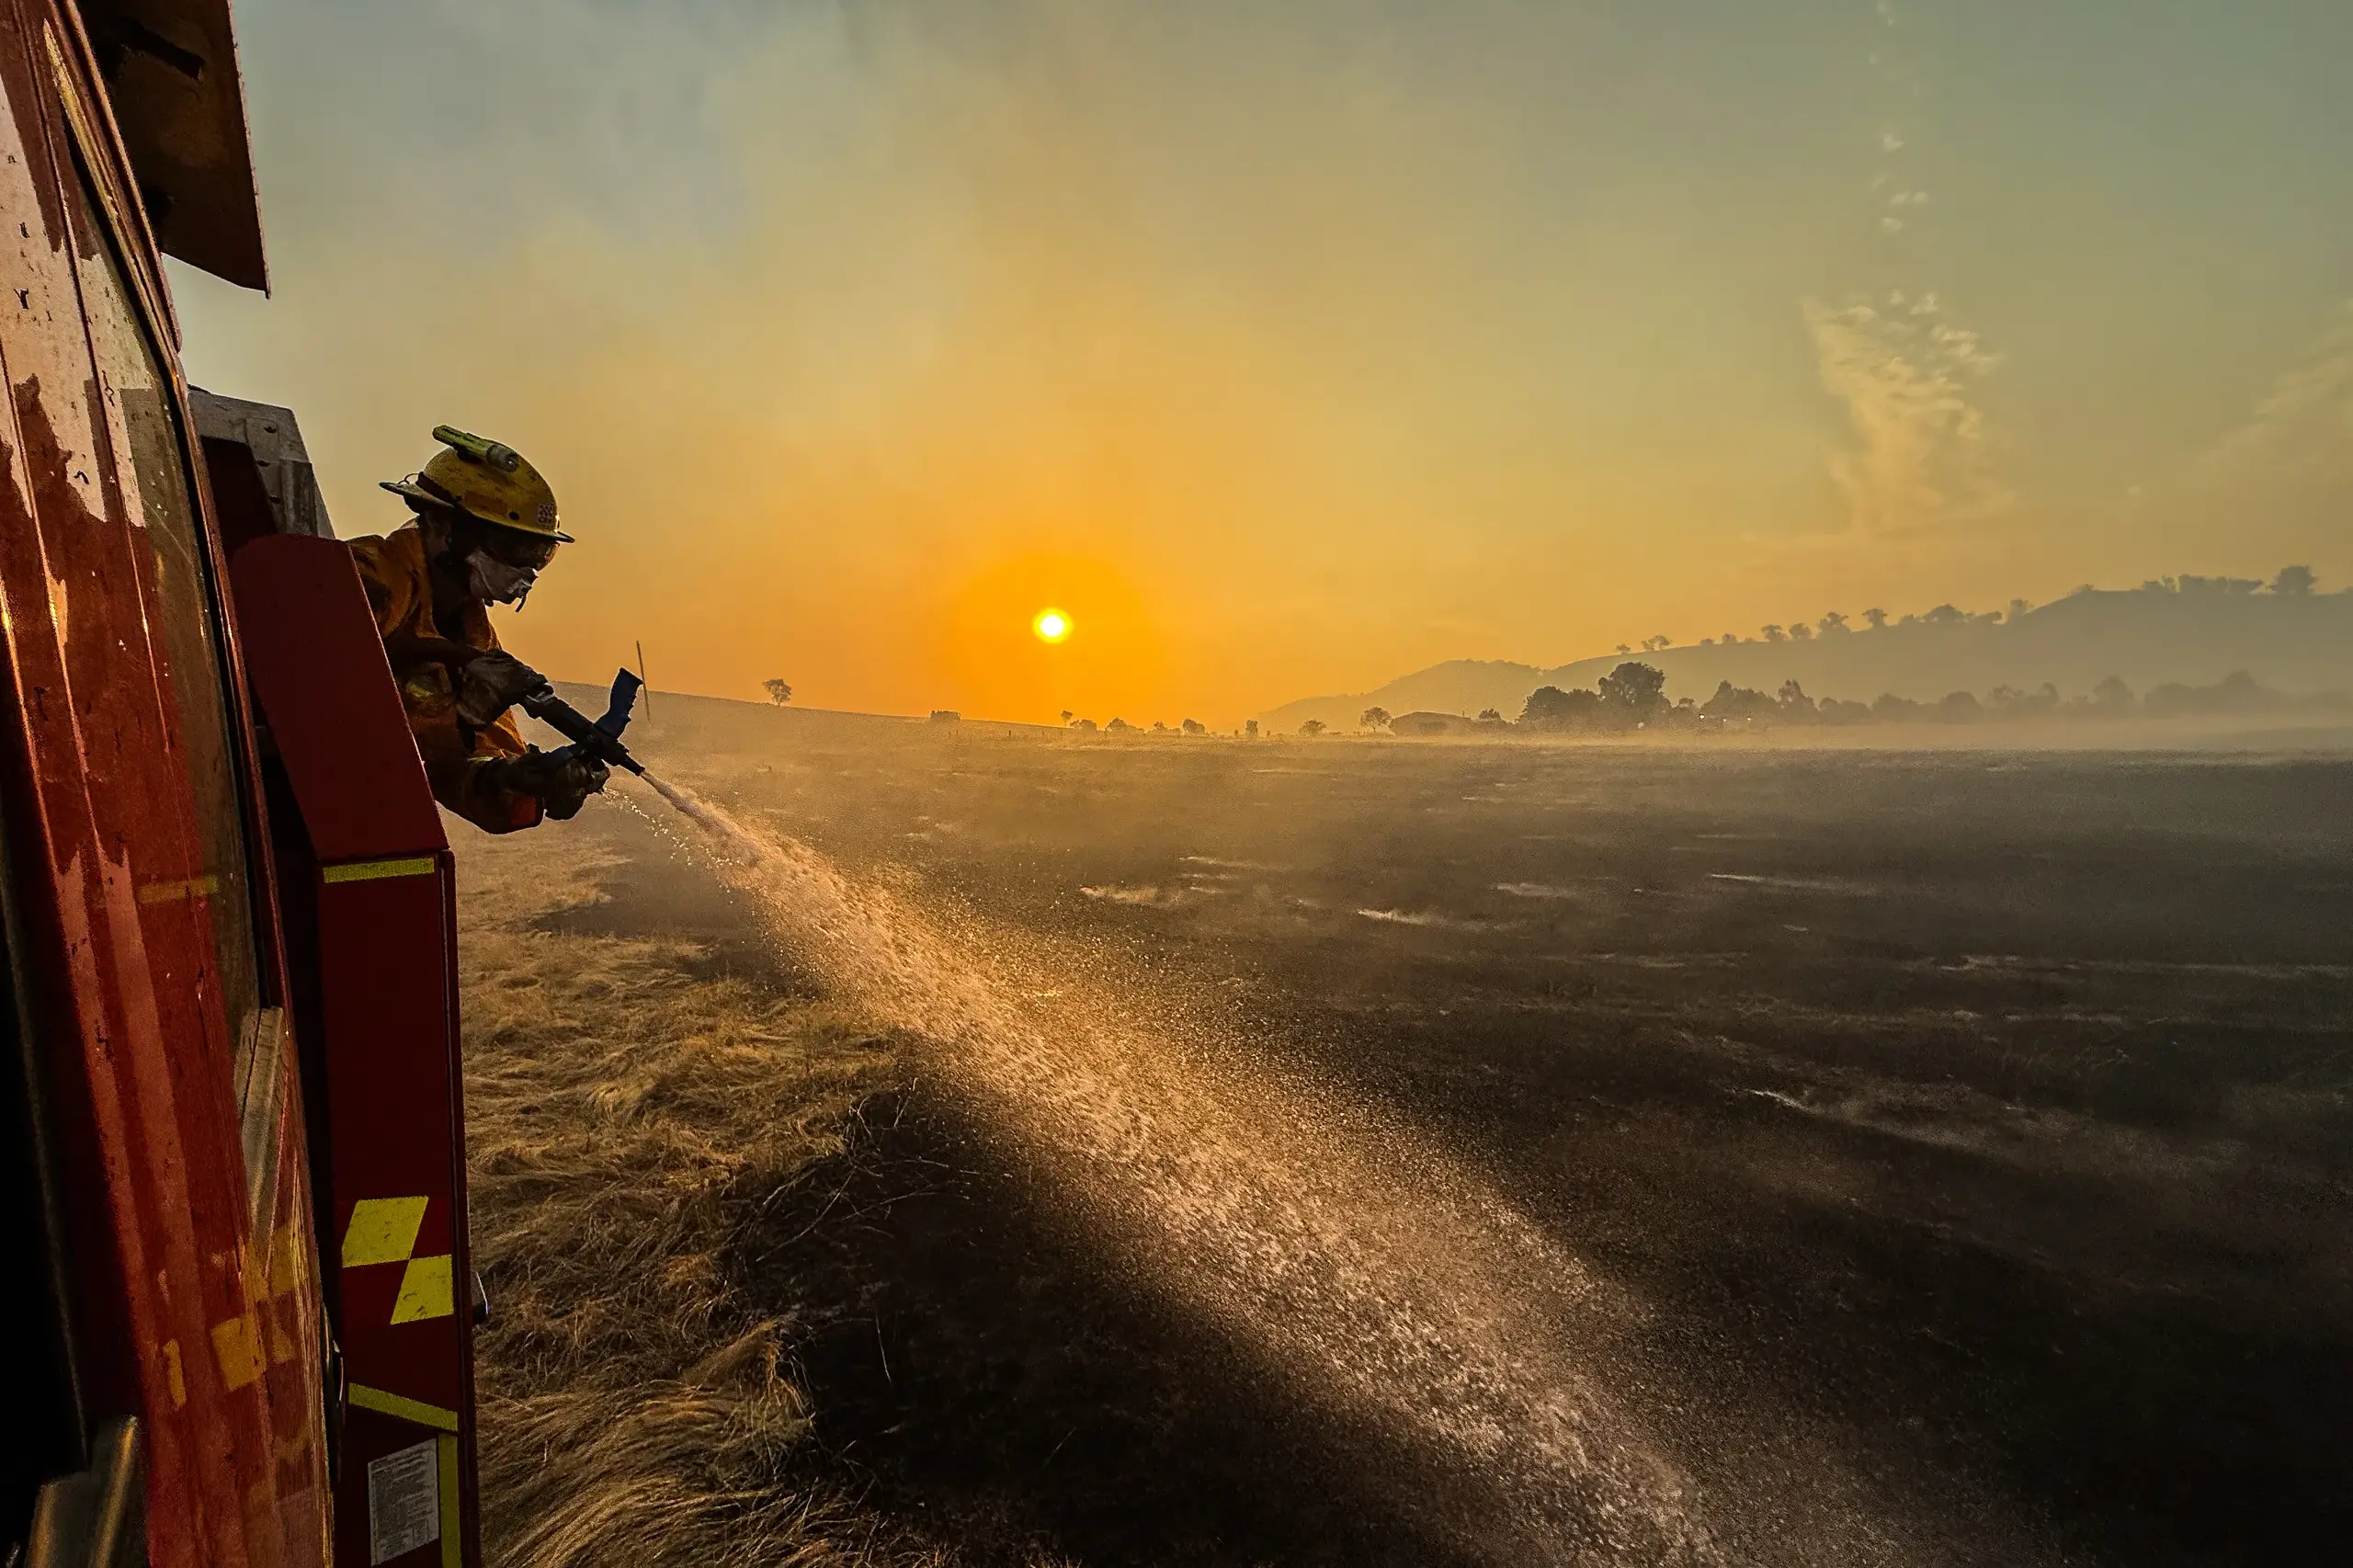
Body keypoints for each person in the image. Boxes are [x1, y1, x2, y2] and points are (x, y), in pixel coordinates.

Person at [349, 426, 608, 833]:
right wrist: (456, 658)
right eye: (511, 546)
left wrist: (520, 779)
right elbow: (324, 672)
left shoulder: (476, 637)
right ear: (439, 523)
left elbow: (455, 769)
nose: (526, 569)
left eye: (539, 554)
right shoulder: (365, 577)